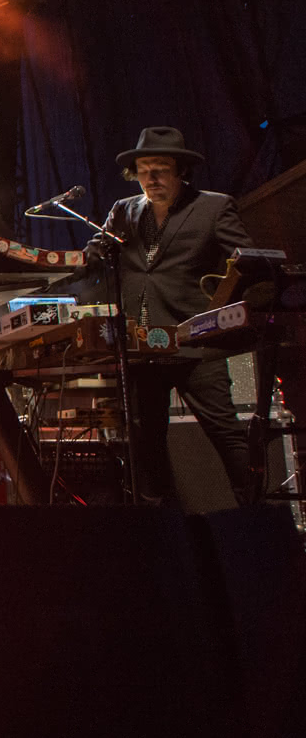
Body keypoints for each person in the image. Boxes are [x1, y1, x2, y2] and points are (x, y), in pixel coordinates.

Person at [86, 127, 253, 507]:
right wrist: (40, 263)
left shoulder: (213, 207)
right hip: (143, 346)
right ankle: (166, 517)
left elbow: (247, 262)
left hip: (196, 342)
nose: (151, 177)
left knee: (225, 431)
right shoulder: (124, 210)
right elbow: (93, 254)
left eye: (160, 168)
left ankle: (254, 511)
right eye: (144, 169)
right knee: (146, 439)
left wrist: (223, 308)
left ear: (180, 170)